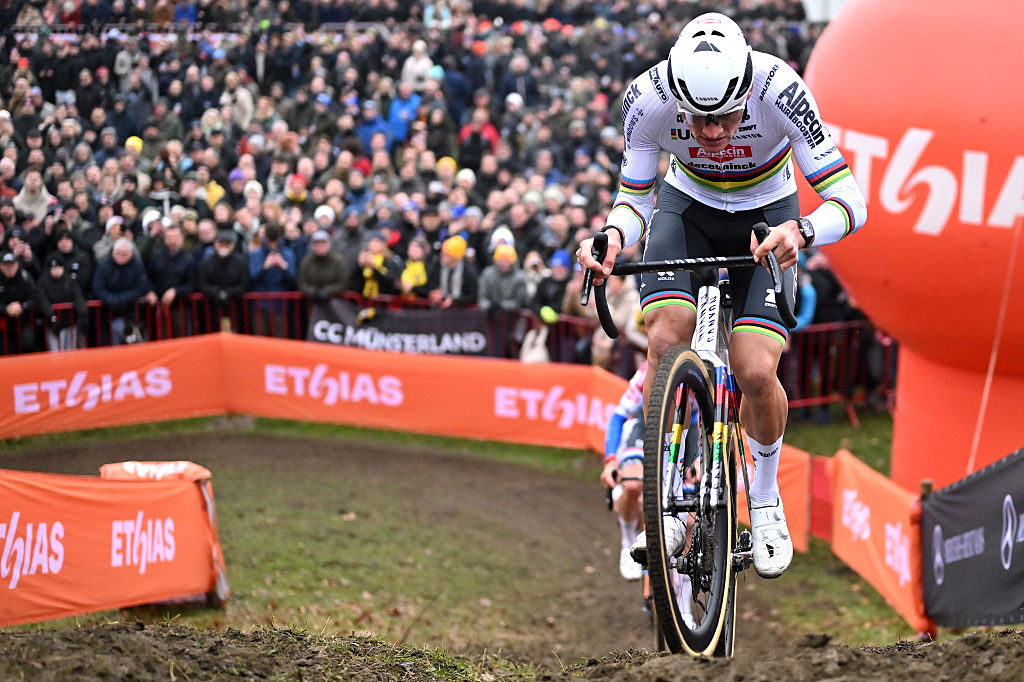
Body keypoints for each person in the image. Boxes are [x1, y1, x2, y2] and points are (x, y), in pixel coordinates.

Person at [577, 13, 867, 579]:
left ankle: (762, 498)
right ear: (676, 95)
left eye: (726, 118)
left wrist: (802, 232)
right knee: (664, 338)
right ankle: (669, 491)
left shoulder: (781, 88)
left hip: (769, 217)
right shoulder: (648, 97)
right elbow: (634, 198)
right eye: (697, 120)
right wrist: (611, 238)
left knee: (756, 371)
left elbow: (850, 200)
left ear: (747, 89)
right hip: (688, 212)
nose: (711, 133)